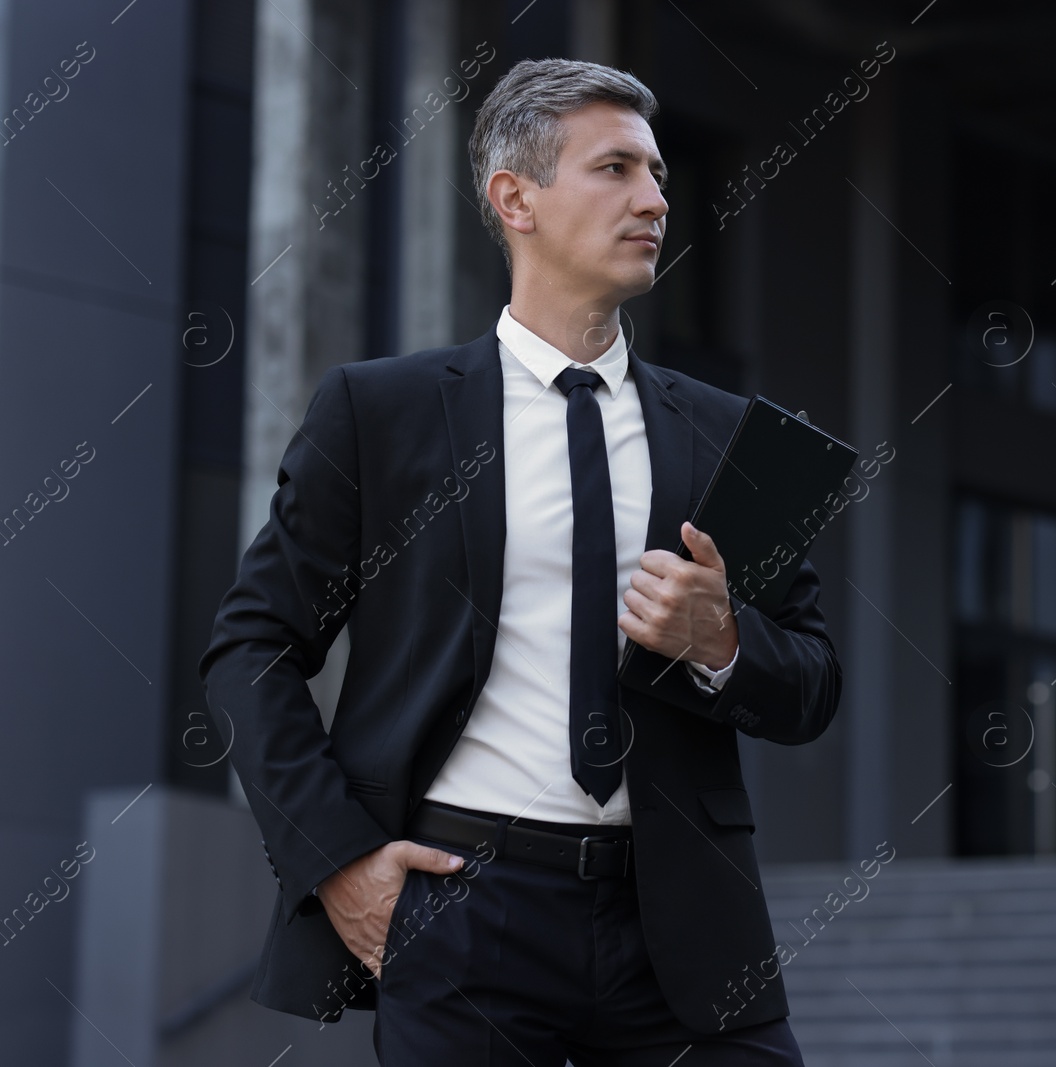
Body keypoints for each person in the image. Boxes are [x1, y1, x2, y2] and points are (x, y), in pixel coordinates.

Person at [198, 56, 841, 1065]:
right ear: (516, 198)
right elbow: (250, 648)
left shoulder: (731, 437)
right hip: (461, 911)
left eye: (660, 174)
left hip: (686, 922)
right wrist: (340, 860)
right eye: (617, 169)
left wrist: (721, 641)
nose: (656, 199)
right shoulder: (382, 413)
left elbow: (810, 685)